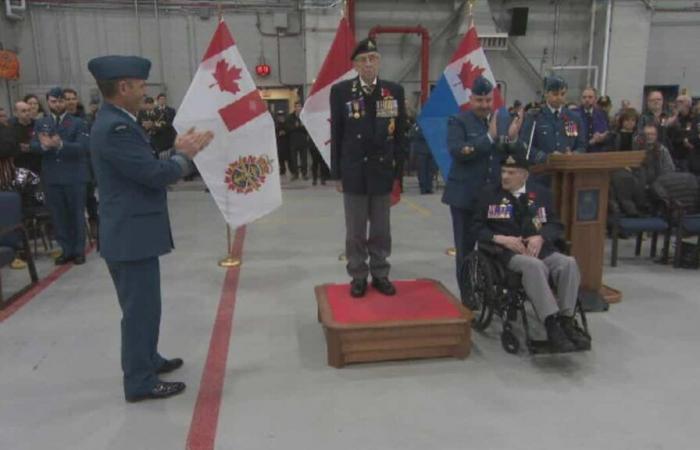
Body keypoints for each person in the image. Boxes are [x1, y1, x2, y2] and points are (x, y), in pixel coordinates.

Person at [88, 55, 214, 402]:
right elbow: (153, 175)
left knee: (146, 306)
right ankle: (140, 381)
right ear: (123, 87)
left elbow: (142, 164)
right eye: (142, 85)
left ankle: (148, 358)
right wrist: (184, 157)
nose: (146, 91)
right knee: (139, 310)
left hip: (131, 232)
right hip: (130, 235)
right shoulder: (116, 127)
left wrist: (174, 150)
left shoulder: (119, 121)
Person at [471, 146, 590, 352]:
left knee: (568, 263)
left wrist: (541, 237)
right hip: (507, 254)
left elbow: (555, 224)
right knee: (534, 266)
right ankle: (551, 324)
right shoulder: (488, 194)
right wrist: (501, 239)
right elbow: (476, 228)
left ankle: (567, 319)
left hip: (541, 250)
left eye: (511, 173)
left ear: (524, 175)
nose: (505, 177)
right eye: (503, 172)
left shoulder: (541, 194)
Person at [330, 37, 406, 298]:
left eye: (373, 59)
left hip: (383, 171)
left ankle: (381, 273)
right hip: (354, 172)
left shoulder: (393, 91)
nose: (369, 64)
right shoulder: (341, 92)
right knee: (355, 231)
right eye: (363, 60)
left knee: (382, 230)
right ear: (355, 65)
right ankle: (358, 274)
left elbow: (400, 136)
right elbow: (336, 134)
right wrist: (336, 174)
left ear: (379, 62)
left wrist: (399, 174)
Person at [443, 76, 521, 305]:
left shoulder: (501, 119)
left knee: (494, 247)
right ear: (470, 99)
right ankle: (468, 296)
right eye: (480, 100)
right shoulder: (458, 121)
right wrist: (489, 137)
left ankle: (490, 290)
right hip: (465, 197)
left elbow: (507, 155)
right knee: (466, 249)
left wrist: (513, 139)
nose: (485, 105)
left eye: (488, 100)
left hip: (493, 197)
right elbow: (459, 151)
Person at [30, 87, 90, 265]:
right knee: (58, 215)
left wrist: (60, 144)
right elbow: (33, 145)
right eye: (53, 101)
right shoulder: (42, 123)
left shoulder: (78, 123)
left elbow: (83, 148)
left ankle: (79, 250)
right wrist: (44, 146)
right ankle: (66, 249)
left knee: (76, 214)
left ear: (67, 102)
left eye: (61, 101)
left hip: (73, 176)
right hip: (52, 177)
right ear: (48, 103)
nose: (57, 104)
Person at [519, 76, 585, 165]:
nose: (559, 97)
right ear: (546, 94)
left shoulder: (572, 118)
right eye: (555, 94)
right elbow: (526, 145)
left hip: (566, 171)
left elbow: (580, 145)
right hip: (542, 171)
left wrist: (573, 154)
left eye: (563, 94)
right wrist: (547, 158)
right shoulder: (535, 117)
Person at [9, 101, 41, 175]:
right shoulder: (11, 127)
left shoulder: (37, 124)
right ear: (16, 113)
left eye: (29, 110)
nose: (27, 113)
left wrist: (31, 146)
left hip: (37, 164)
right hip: (19, 165)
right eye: (23, 111)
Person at [666, 94, 695, 171]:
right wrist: (674, 117)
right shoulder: (673, 117)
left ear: (688, 104)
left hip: (688, 155)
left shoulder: (694, 118)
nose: (677, 103)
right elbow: (666, 132)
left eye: (681, 101)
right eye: (677, 101)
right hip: (673, 154)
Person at [579, 87, 610, 152]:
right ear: (581, 99)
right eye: (584, 97)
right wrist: (590, 142)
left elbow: (607, 133)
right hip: (580, 154)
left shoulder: (602, 114)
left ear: (595, 99)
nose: (587, 99)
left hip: (598, 154)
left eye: (590, 97)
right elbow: (570, 138)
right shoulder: (572, 114)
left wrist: (603, 137)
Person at [409, 122, 436, 194]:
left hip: (431, 150)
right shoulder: (417, 124)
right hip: (421, 150)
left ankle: (429, 187)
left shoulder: (433, 123)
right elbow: (413, 134)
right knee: (422, 170)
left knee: (431, 170)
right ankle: (423, 187)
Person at [285, 101, 310, 181]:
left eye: (300, 106)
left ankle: (304, 174)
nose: (298, 108)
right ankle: (295, 174)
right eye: (297, 106)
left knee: (304, 159)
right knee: (293, 159)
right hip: (293, 141)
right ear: (294, 108)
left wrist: (297, 127)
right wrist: (299, 127)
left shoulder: (304, 117)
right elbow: (288, 129)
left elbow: (307, 129)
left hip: (303, 141)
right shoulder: (290, 117)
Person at [274, 110, 290, 176]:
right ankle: (282, 170)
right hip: (279, 142)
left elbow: (289, 130)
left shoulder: (286, 123)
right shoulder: (275, 124)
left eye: (282, 116)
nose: (281, 117)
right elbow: (274, 133)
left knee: (288, 157)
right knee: (280, 157)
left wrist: (285, 132)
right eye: (279, 116)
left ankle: (290, 169)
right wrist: (279, 134)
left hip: (286, 142)